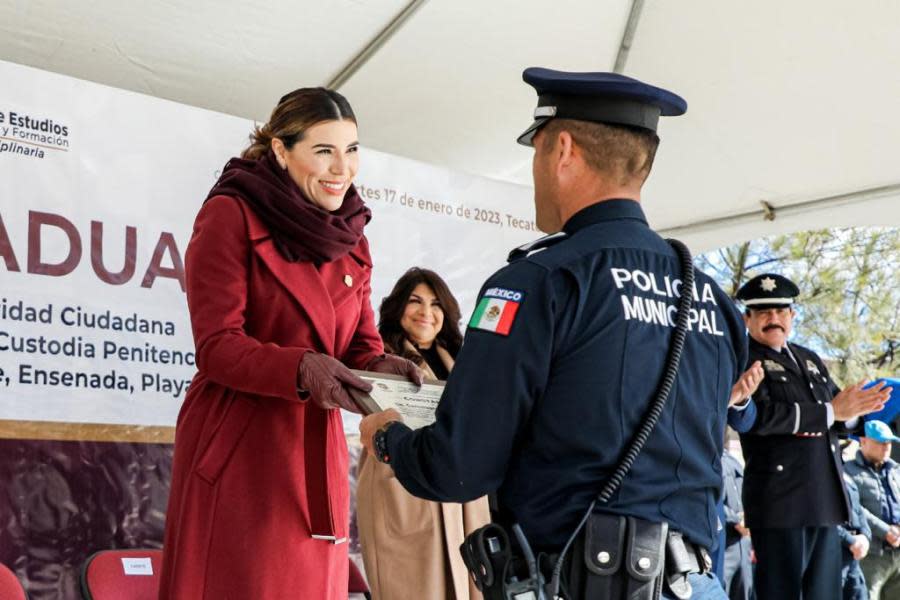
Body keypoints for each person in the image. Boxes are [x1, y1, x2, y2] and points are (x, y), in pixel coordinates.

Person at [360, 67, 750, 600]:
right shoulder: (710, 297)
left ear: (562, 148)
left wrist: (388, 438)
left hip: (584, 579)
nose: (536, 170)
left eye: (536, 150)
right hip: (698, 582)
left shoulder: (538, 282)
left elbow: (458, 466)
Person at [158, 87, 420, 600]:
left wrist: (386, 367)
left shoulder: (352, 236)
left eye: (352, 150)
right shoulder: (231, 215)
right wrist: (301, 368)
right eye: (323, 151)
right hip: (238, 444)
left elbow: (358, 346)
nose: (341, 168)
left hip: (312, 450)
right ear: (281, 150)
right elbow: (216, 346)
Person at [734, 273, 891, 600]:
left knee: (825, 594)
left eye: (780, 311)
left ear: (792, 316)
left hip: (823, 501)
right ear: (747, 318)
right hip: (780, 504)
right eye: (763, 312)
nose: (773, 319)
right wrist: (833, 412)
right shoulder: (743, 359)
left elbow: (838, 414)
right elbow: (760, 419)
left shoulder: (810, 359)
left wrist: (854, 413)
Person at [357, 267, 490, 600]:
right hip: (401, 486)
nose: (426, 313)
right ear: (398, 307)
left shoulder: (460, 360)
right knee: (414, 587)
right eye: (415, 301)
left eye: (435, 304)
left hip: (459, 490)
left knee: (469, 584)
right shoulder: (378, 356)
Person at [845, 420, 900, 599]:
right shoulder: (849, 471)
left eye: (889, 442)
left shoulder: (895, 470)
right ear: (863, 441)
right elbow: (855, 508)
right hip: (872, 555)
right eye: (880, 442)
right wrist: (885, 531)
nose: (886, 447)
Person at [720, 450, 752, 600]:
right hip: (725, 544)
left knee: (745, 591)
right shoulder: (709, 458)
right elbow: (714, 504)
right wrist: (735, 520)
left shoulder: (732, 459)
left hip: (742, 545)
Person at [838, 469, 871, 600]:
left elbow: (858, 510)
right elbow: (821, 518)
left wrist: (865, 536)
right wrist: (849, 540)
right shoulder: (818, 475)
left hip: (852, 558)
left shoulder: (845, 473)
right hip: (833, 552)